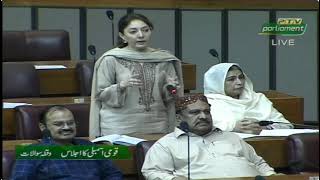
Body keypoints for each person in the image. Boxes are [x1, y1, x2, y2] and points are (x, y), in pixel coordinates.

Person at [89, 13, 184, 138]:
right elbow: (100, 94)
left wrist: (172, 88)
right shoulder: (111, 59)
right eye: (133, 31)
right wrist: (121, 86)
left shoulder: (163, 59)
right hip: (119, 127)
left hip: (157, 125)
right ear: (122, 36)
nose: (141, 35)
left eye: (146, 30)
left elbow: (172, 98)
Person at [141, 94, 276, 179]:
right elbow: (152, 172)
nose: (203, 116)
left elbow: (258, 163)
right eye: (195, 113)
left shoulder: (231, 137)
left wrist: (273, 176)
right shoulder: (167, 144)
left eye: (207, 111)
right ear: (178, 118)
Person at [11, 105, 123, 180]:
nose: (66, 127)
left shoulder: (89, 147)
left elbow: (113, 174)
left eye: (70, 123)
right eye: (58, 124)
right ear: (43, 127)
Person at [204, 63, 293, 134]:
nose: (239, 82)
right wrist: (233, 128)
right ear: (216, 83)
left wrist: (263, 128)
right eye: (231, 79)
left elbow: (286, 125)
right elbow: (201, 130)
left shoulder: (258, 99)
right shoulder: (207, 103)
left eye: (241, 77)